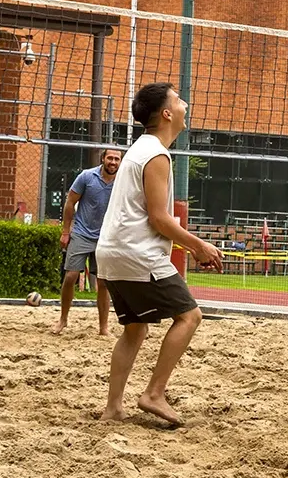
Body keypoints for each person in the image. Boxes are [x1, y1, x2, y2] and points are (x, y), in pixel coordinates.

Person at [94, 83, 224, 426]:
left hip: (111, 253)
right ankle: (154, 393)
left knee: (135, 329)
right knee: (189, 317)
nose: (184, 104)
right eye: (178, 100)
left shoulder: (140, 148)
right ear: (167, 113)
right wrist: (199, 245)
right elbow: (159, 218)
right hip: (136, 254)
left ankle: (113, 408)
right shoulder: (155, 154)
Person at [53, 148, 121, 336]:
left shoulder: (123, 181)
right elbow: (69, 203)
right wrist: (66, 231)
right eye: (110, 158)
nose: (113, 162)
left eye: (117, 159)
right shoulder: (86, 177)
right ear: (103, 159)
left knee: (104, 283)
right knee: (70, 277)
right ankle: (63, 320)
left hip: (106, 237)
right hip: (82, 233)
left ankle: (103, 327)